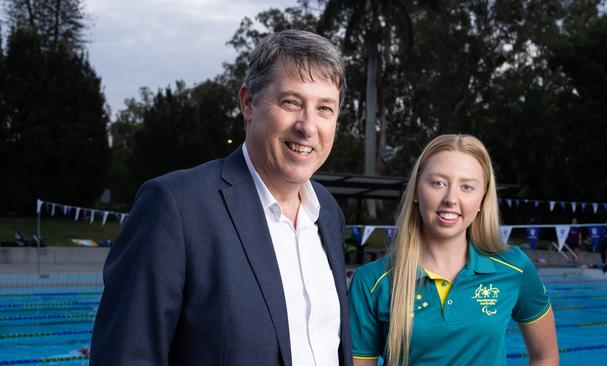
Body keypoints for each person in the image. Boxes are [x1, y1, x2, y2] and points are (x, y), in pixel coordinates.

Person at [90, 30, 352, 366]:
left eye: (324, 109)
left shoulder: (328, 214)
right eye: (291, 102)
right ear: (248, 102)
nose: (308, 126)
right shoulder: (176, 207)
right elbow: (126, 356)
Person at [349, 134, 558, 366]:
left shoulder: (514, 268)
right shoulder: (372, 282)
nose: (450, 199)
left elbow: (545, 356)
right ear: (417, 190)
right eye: (438, 183)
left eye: (467, 187)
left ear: (482, 199)